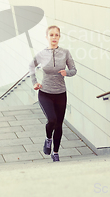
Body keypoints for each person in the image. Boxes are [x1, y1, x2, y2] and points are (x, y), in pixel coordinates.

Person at [29, 25, 77, 162]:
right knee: (52, 120)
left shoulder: (65, 53)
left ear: (59, 37)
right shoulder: (41, 54)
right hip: (45, 93)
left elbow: (74, 70)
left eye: (56, 35)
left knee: (59, 124)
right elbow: (31, 66)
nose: (54, 37)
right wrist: (34, 82)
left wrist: (66, 73)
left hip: (61, 93)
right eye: (51, 35)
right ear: (47, 37)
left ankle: (55, 153)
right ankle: (48, 138)